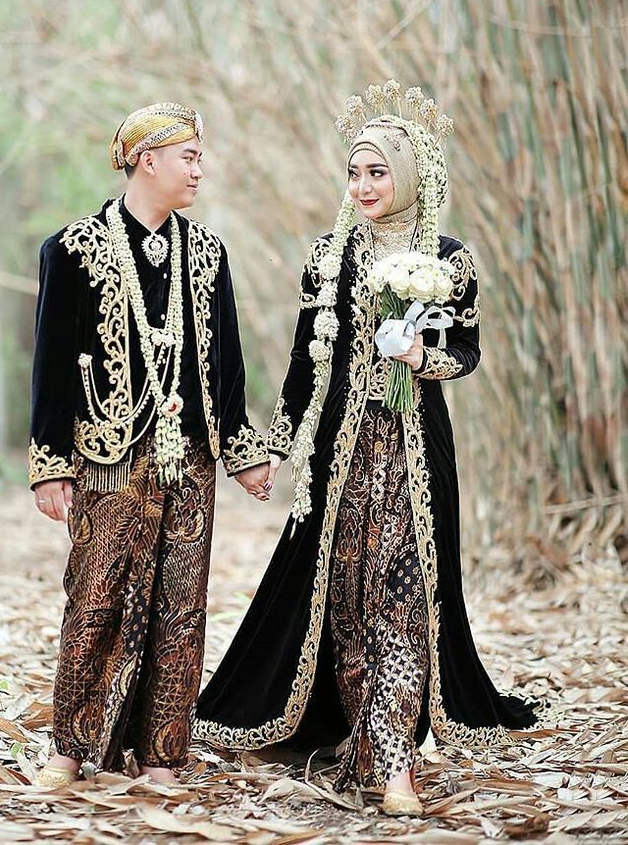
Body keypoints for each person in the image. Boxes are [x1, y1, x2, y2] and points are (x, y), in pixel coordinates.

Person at [194, 82, 546, 816]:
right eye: (354, 173)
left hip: (417, 457)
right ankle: (358, 735)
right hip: (343, 459)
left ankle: (395, 767)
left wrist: (422, 352)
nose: (362, 187)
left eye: (377, 173)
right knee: (349, 599)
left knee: (407, 597)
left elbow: (469, 349)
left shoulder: (450, 258)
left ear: (409, 174)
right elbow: (303, 368)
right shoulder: (327, 256)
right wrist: (270, 451)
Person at [29, 102, 270, 789]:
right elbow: (50, 365)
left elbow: (225, 364)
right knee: (96, 596)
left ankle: (164, 751)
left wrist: (243, 452)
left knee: (181, 604)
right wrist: (51, 465)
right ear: (147, 160)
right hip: (107, 452)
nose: (200, 168)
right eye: (188, 156)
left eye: (200, 156)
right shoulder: (72, 249)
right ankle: (69, 750)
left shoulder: (209, 252)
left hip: (188, 456)